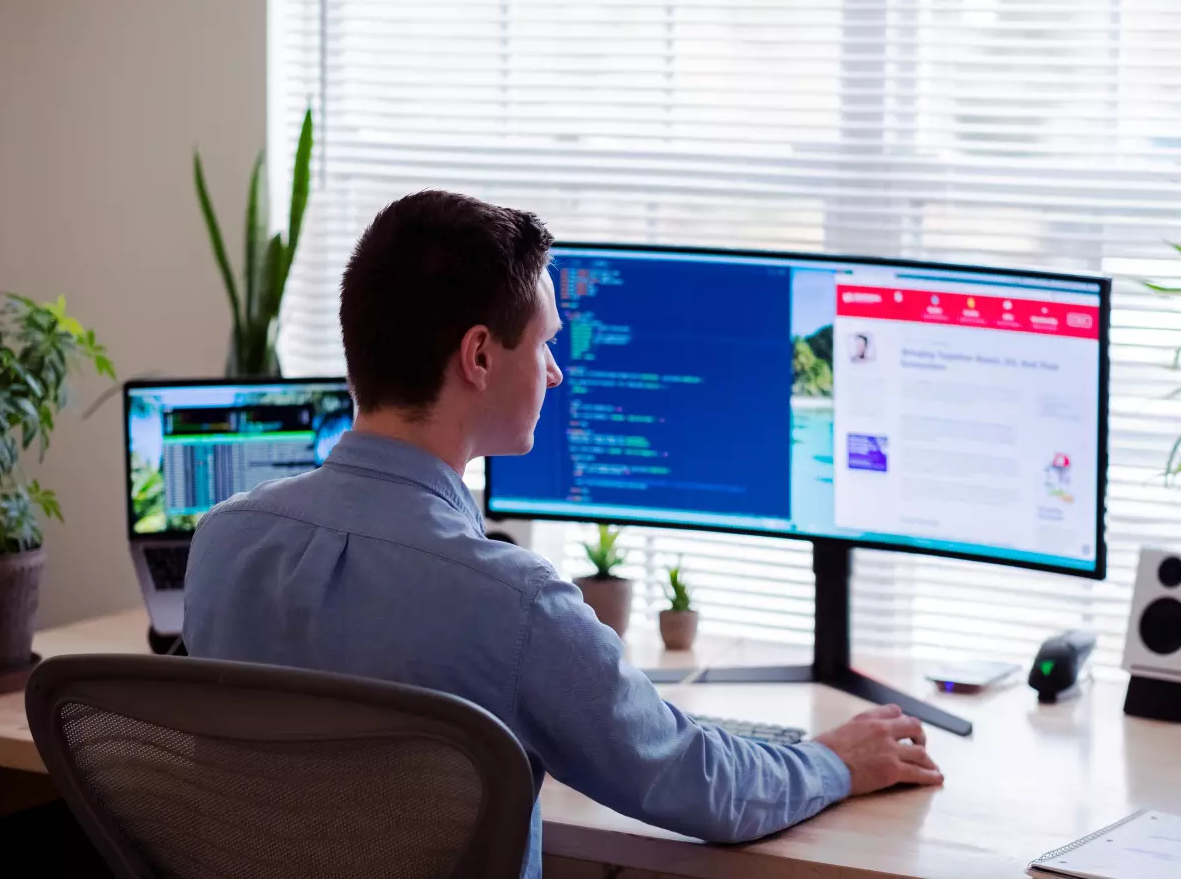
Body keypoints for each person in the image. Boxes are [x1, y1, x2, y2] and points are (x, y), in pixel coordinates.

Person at [183, 190, 943, 879]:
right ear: (480, 355)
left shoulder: (223, 542)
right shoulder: (511, 602)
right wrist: (834, 762)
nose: (555, 374)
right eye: (544, 343)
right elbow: (694, 782)